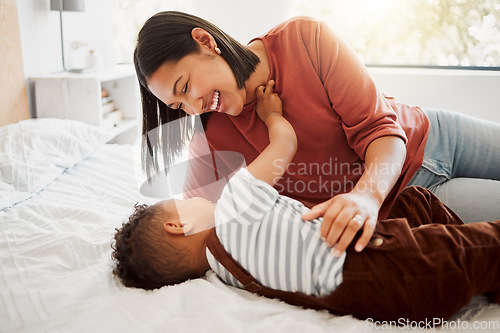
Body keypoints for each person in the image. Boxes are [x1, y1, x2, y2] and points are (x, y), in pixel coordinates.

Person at [112, 81, 500, 322]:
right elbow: (285, 144)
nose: (194, 198)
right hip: (396, 266)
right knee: (484, 246)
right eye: (181, 203)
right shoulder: (234, 205)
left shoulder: (229, 272)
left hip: (378, 289)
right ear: (178, 225)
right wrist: (271, 114)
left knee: (417, 202)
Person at [134, 10, 500, 259]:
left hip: (435, 133)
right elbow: (201, 225)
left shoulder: (303, 39)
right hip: (412, 199)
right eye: (179, 106)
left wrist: (365, 197)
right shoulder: (210, 140)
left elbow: (379, 129)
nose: (194, 107)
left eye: (185, 86)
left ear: (205, 41)